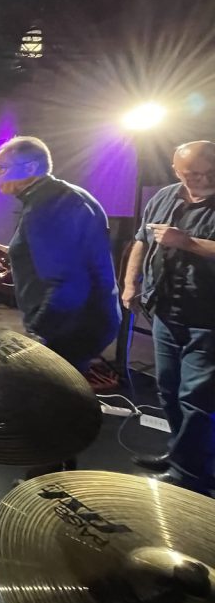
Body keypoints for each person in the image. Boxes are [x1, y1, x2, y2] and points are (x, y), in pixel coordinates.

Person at [122, 140, 215, 493]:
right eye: (192, 173)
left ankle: (190, 476)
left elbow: (179, 241)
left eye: (209, 172)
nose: (202, 179)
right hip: (165, 311)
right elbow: (142, 241)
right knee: (169, 390)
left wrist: (187, 242)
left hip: (207, 318)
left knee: (196, 399)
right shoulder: (164, 197)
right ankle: (181, 454)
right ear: (176, 170)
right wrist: (130, 282)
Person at [0, 136, 121, 378]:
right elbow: (68, 255)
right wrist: (18, 256)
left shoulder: (46, 205)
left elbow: (68, 282)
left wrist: (38, 334)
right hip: (86, 319)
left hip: (70, 326)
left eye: (1, 168)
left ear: (30, 168)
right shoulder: (64, 194)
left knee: (49, 395)